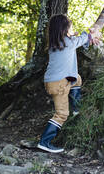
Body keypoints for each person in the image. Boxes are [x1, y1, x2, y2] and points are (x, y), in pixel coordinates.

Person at [37, 14, 91, 153]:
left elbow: (74, 41)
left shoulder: (56, 44)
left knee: (77, 79)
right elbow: (83, 39)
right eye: (71, 27)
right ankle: (45, 142)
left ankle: (76, 108)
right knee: (61, 114)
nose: (73, 29)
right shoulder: (69, 42)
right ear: (65, 30)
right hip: (59, 84)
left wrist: (72, 35)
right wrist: (91, 33)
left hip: (54, 81)